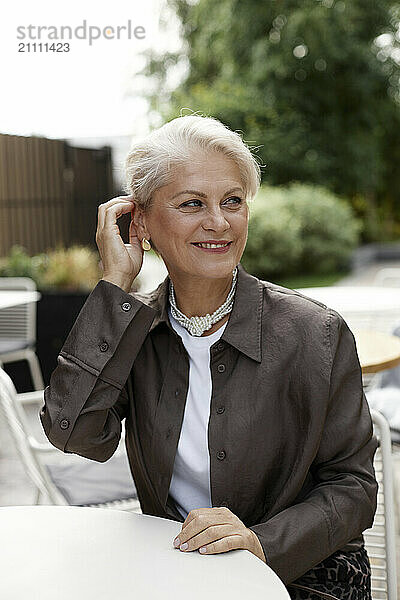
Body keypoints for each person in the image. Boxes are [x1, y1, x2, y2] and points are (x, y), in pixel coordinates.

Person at [40, 114, 378, 599]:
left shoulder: (316, 333)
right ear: (141, 223)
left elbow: (354, 487)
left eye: (232, 202)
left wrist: (261, 542)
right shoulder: (130, 334)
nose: (218, 222)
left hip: (303, 572)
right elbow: (74, 433)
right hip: (181, 568)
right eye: (192, 203)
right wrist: (115, 285)